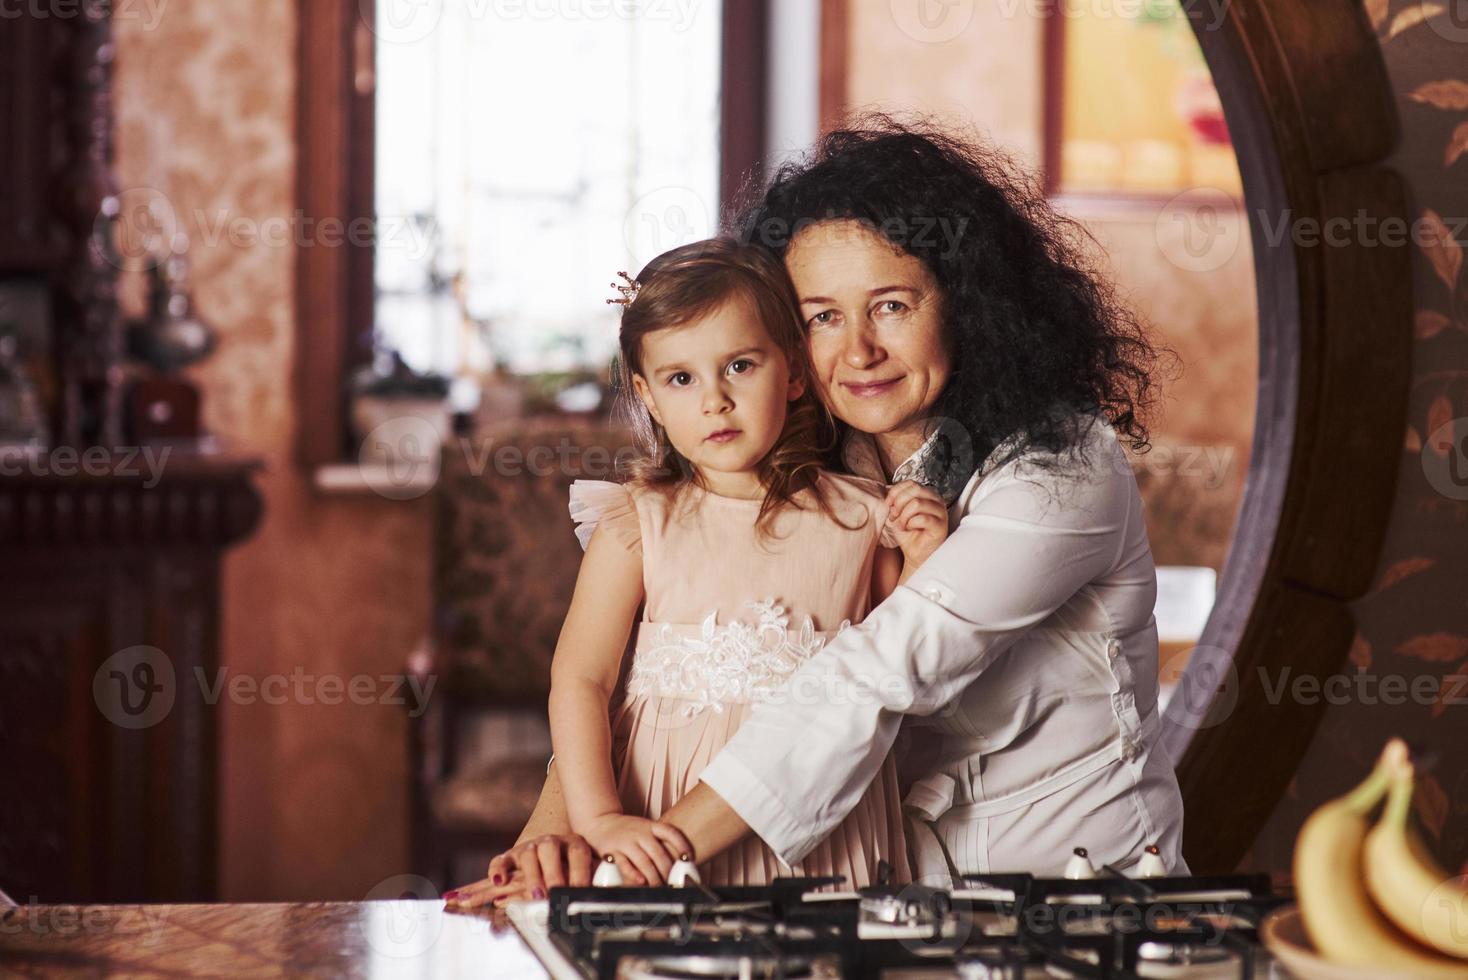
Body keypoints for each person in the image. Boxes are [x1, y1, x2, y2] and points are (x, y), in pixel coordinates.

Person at [445, 117, 1186, 910]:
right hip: (871, 886)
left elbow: (873, 673)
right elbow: (643, 667)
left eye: (891, 306)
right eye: (822, 316)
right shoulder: (808, 465)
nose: (857, 350)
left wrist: (653, 856)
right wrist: (555, 834)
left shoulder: (1060, 469)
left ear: (968, 304)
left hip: (1063, 882)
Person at [467, 238, 950, 897]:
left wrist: (923, 555)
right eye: (681, 379)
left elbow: (906, 658)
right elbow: (580, 677)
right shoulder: (640, 524)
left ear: (795, 372)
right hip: (659, 812)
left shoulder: (863, 519)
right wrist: (600, 820)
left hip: (818, 823)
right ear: (649, 397)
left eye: (741, 366)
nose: (715, 400)